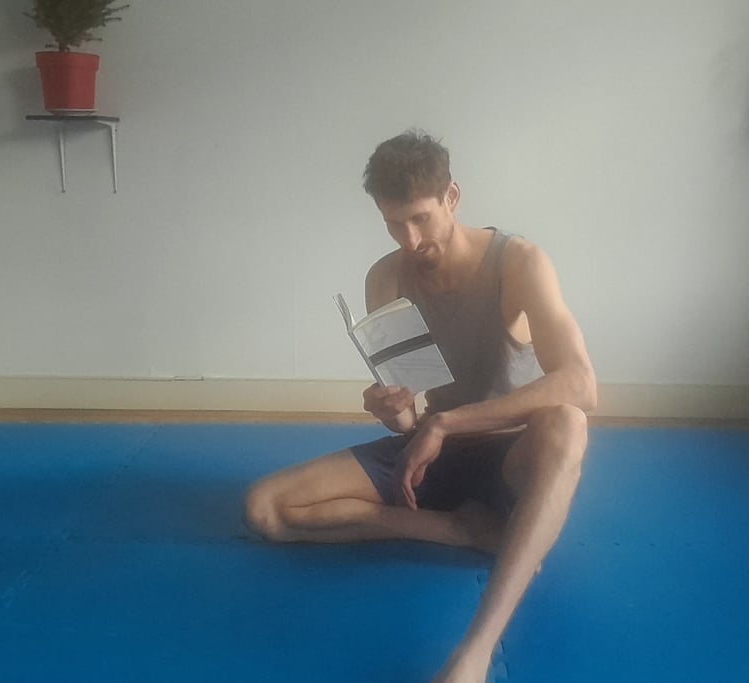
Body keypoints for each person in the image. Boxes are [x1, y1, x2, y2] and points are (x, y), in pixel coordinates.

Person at [244, 130, 597, 683]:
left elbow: (581, 384)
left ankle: (475, 651)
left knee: (568, 425)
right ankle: (460, 530)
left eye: (420, 219)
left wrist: (447, 422)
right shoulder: (385, 277)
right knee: (266, 509)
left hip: (511, 453)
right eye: (393, 224)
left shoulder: (518, 263)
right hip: (433, 451)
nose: (409, 239)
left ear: (451, 197)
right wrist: (396, 412)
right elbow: (409, 418)